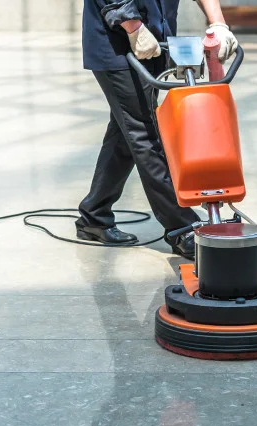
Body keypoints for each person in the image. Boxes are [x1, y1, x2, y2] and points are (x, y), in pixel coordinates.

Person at [77, 0, 238, 260]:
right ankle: (182, 227)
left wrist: (218, 22)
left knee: (126, 130)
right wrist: (133, 27)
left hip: (154, 40)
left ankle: (94, 214)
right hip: (118, 43)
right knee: (144, 133)